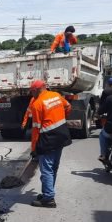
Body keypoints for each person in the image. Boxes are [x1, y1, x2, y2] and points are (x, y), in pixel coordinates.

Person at [26, 80, 72, 208]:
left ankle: (48, 199)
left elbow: (36, 129)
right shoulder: (56, 96)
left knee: (46, 169)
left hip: (48, 138)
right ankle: (48, 192)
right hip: (62, 135)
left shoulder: (37, 104)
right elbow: (68, 107)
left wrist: (34, 148)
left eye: (31, 91)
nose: (31, 94)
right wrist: (61, 118)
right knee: (54, 167)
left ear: (36, 90)